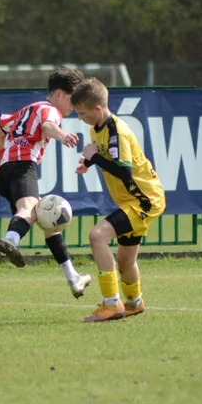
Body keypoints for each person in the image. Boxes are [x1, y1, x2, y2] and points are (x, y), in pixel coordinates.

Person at [0, 66, 93, 297]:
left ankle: (73, 278)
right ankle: (10, 241)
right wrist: (63, 135)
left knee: (48, 221)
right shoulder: (50, 111)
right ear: (58, 94)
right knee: (30, 210)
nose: (73, 106)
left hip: (1, 174)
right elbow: (47, 126)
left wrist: (0, 161)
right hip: (23, 164)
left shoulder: (28, 109)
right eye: (71, 100)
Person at [71, 77, 166, 323]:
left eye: (82, 113)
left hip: (143, 201)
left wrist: (95, 157)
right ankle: (134, 302)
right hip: (134, 201)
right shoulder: (97, 128)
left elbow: (124, 172)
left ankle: (112, 304)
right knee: (125, 260)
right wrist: (89, 162)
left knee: (97, 236)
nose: (81, 118)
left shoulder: (117, 131)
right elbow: (107, 158)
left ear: (98, 109)